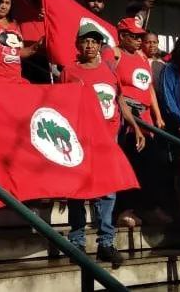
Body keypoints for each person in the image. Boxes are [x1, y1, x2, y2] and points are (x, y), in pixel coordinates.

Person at [59, 23, 139, 267]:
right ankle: (77, 241)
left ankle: (106, 242)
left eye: (95, 41)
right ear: (78, 45)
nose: (90, 45)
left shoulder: (109, 71)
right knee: (78, 189)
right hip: (81, 137)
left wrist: (135, 126)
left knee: (108, 190)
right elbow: (60, 103)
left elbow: (120, 100)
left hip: (108, 138)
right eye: (85, 41)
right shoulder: (69, 71)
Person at [114, 17, 168, 227]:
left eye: (140, 36)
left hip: (145, 119)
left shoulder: (141, 58)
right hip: (126, 117)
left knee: (151, 164)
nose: (139, 40)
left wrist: (158, 116)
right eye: (134, 36)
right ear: (122, 36)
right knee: (130, 162)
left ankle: (149, 208)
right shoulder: (114, 53)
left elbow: (149, 88)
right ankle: (125, 210)